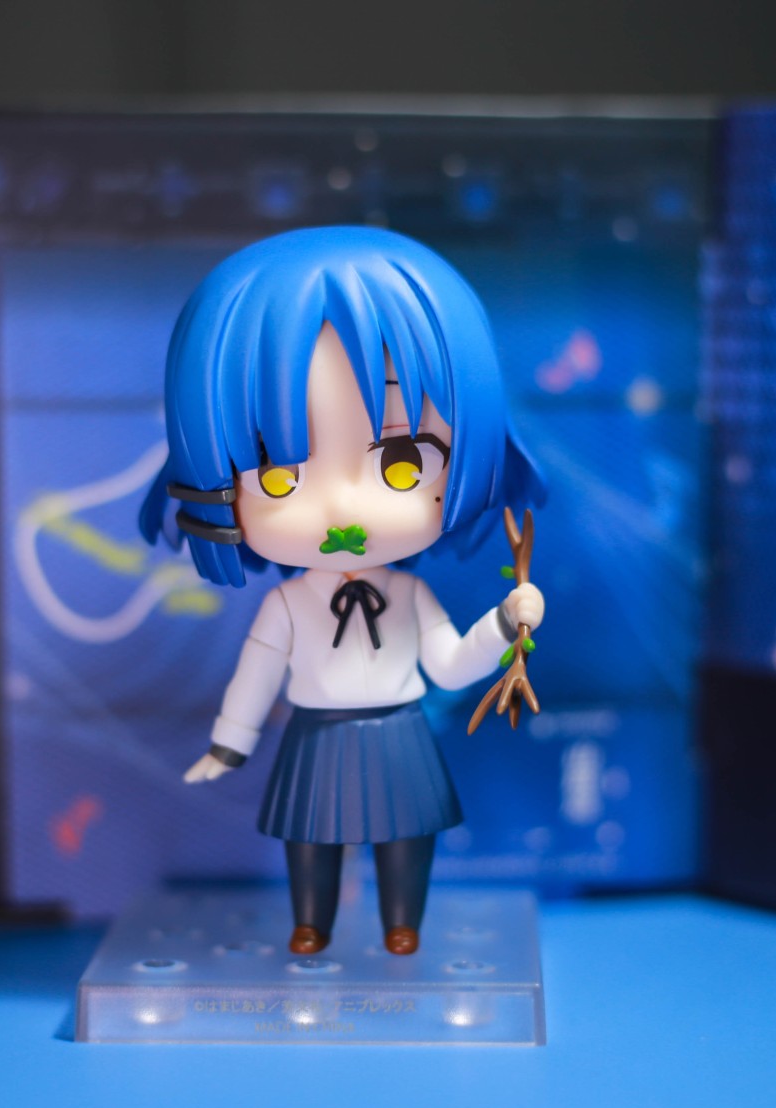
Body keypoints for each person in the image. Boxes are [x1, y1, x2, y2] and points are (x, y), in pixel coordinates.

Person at [139, 226, 546, 955]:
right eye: (278, 475)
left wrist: (502, 624)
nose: (341, 513)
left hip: (398, 731)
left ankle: (402, 922)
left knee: (407, 834)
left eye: (401, 461)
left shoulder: (409, 599)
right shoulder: (288, 607)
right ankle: (311, 922)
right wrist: (229, 746)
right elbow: (256, 676)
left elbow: (450, 666)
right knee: (310, 836)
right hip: (316, 733)